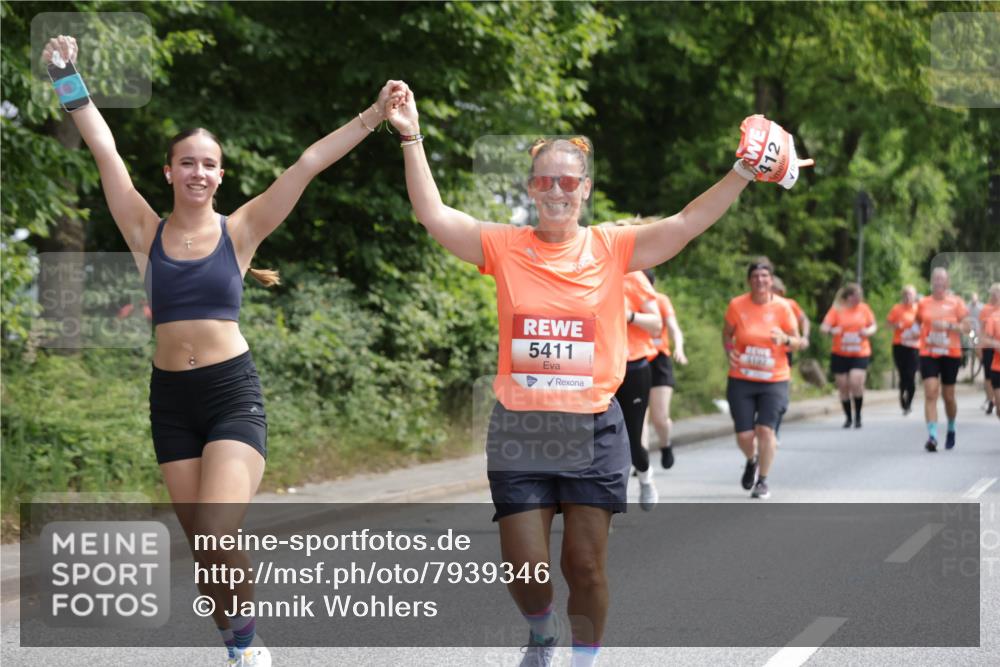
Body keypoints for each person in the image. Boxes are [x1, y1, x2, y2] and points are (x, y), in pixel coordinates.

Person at [387, 83, 809, 666]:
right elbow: (433, 214)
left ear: (584, 190)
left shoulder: (612, 248)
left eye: (568, 181)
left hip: (592, 429)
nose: (556, 191)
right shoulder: (504, 246)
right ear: (531, 188)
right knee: (524, 567)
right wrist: (410, 135)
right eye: (544, 180)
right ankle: (540, 633)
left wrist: (741, 170)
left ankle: (584, 660)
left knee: (584, 566)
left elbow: (686, 222)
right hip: (522, 430)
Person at [44, 36, 402, 667]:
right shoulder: (141, 230)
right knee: (205, 551)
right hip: (172, 404)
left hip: (230, 395)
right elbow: (103, 145)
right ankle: (236, 639)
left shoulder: (241, 231)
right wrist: (66, 74)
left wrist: (374, 116)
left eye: (210, 164)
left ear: (220, 174)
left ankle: (249, 643)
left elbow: (308, 163)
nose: (199, 173)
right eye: (188, 163)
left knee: (214, 528)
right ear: (170, 172)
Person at [723, 258, 803, 500]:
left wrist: (786, 340)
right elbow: (727, 335)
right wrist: (730, 352)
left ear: (771, 280)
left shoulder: (783, 308)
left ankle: (763, 480)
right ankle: (751, 459)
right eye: (755, 276)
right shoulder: (737, 305)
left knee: (765, 432)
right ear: (749, 280)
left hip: (774, 379)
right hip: (742, 378)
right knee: (745, 436)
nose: (760, 280)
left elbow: (798, 341)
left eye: (765, 276)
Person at [617, 268, 662, 509]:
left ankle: (645, 477)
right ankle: (605, 505)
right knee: (596, 442)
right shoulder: (585, 272)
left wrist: (630, 316)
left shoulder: (634, 278)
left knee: (632, 440)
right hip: (595, 369)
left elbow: (657, 325)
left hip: (632, 366)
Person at [915, 267, 971, 451]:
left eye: (942, 279)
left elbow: (967, 328)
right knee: (931, 392)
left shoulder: (956, 303)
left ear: (947, 283)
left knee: (948, 396)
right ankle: (932, 436)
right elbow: (917, 322)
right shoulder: (923, 303)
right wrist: (920, 334)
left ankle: (952, 427)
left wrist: (948, 325)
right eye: (935, 279)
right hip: (928, 352)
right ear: (932, 282)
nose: (938, 282)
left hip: (950, 353)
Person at [643, 270, 687, 469]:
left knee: (660, 418)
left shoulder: (660, 300)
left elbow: (674, 328)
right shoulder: (625, 298)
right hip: (636, 359)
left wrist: (679, 348)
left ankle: (665, 444)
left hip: (659, 360)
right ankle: (641, 462)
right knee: (638, 419)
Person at [820, 283, 877, 428]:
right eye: (857, 296)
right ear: (849, 297)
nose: (859, 299)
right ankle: (848, 417)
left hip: (860, 352)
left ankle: (858, 415)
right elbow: (824, 327)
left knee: (856, 382)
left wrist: (867, 331)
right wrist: (832, 330)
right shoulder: (837, 309)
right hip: (840, 353)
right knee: (843, 386)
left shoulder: (864, 309)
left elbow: (873, 326)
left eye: (860, 296)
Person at [770, 275, 808, 440]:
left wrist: (804, 337)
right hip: (763, 353)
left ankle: (775, 428)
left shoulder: (789, 304)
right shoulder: (758, 303)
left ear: (781, 291)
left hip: (784, 351)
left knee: (779, 393)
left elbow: (804, 319)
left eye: (774, 291)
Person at [887, 285, 921, 415]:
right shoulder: (897, 309)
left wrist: (918, 332)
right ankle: (902, 394)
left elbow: (925, 325)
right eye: (905, 294)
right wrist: (896, 325)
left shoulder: (919, 309)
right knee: (902, 375)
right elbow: (888, 324)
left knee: (911, 375)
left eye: (910, 294)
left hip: (914, 346)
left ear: (914, 296)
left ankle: (909, 403)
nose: (908, 297)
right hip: (899, 345)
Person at [977, 284, 1000, 414]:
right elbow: (981, 330)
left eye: (997, 293)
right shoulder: (985, 309)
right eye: (993, 293)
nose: (995, 295)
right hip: (988, 346)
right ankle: (990, 400)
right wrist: (978, 346)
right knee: (988, 375)